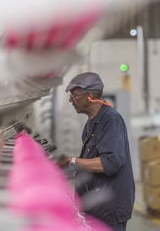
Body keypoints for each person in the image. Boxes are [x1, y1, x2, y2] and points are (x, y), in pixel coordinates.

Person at [58, 72, 135, 231]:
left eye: (74, 95)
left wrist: (72, 161)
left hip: (109, 207)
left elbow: (110, 163)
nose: (71, 100)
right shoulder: (92, 123)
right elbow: (89, 160)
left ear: (90, 96)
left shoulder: (111, 120)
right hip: (95, 204)